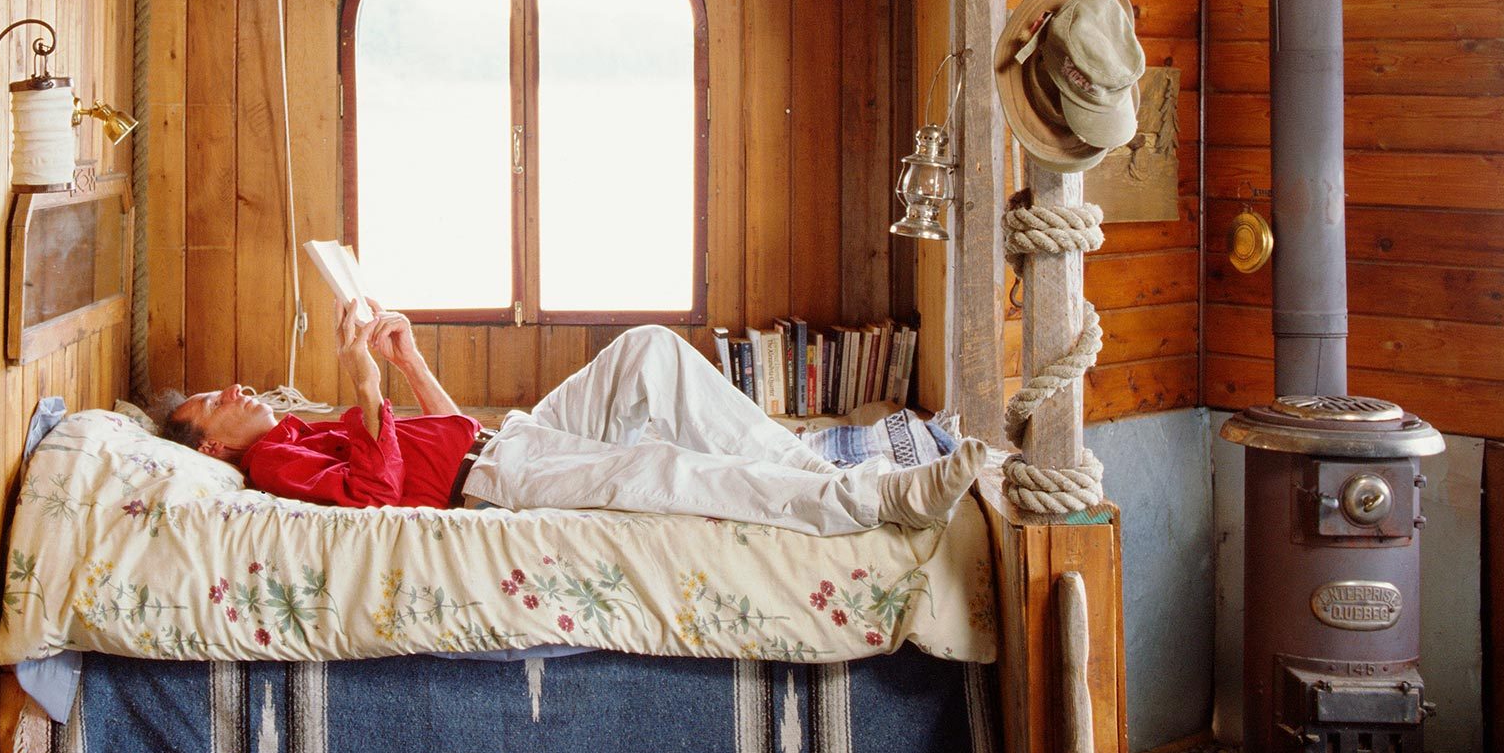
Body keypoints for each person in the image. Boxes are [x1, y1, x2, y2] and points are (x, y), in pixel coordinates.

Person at [157, 306, 982, 536]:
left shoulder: (294, 428)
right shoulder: (274, 464)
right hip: (496, 483)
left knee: (650, 349)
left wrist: (407, 364)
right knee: (656, 469)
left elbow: (444, 436)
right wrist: (366, 385)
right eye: (213, 402)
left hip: (507, 439)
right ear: (214, 446)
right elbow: (379, 497)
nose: (232, 388)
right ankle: (872, 503)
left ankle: (826, 473)